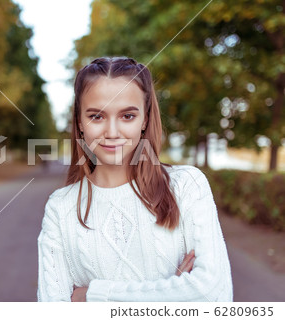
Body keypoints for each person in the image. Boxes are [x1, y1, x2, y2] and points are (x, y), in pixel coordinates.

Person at [36, 57, 233, 302]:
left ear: (145, 119)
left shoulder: (187, 186)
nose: (112, 132)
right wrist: (174, 292)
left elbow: (213, 297)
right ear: (80, 123)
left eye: (127, 116)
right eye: (97, 116)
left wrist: (91, 297)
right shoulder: (60, 207)